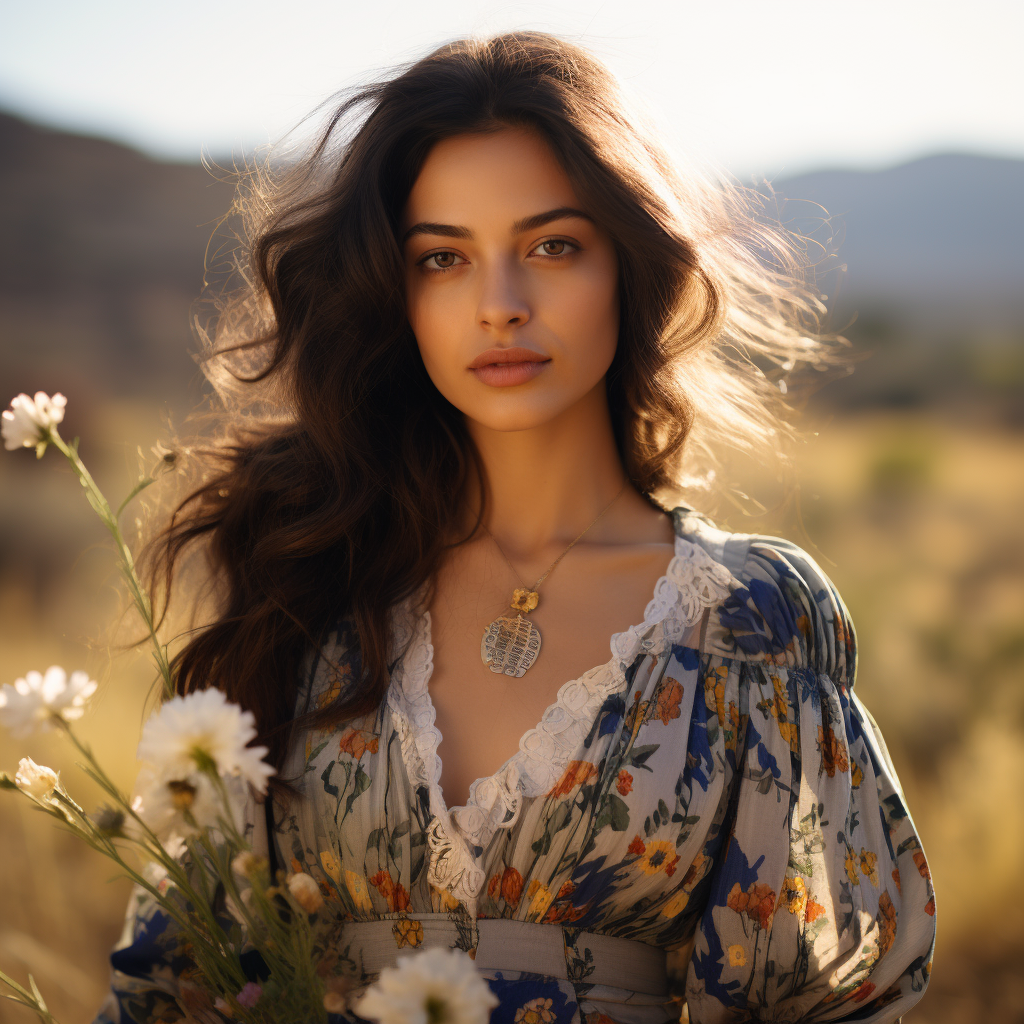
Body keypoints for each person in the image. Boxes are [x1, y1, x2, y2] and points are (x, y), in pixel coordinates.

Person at [92, 31, 936, 1024]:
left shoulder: (749, 624)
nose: (499, 305)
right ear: (393, 292)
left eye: (551, 246)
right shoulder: (312, 581)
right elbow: (173, 982)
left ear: (628, 263)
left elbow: (825, 997)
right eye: (442, 258)